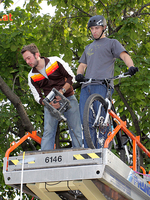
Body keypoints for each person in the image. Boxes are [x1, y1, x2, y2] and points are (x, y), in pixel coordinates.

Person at [75, 15, 138, 148]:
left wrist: (130, 67)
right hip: (87, 86)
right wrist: (79, 74)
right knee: (86, 121)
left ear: (104, 28)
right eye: (92, 29)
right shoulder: (88, 47)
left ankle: (104, 149)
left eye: (97, 28)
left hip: (102, 84)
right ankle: (89, 151)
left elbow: (124, 55)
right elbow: (82, 65)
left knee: (102, 119)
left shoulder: (111, 43)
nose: (94, 31)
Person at [21, 43, 83, 150]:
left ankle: (78, 155)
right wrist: (49, 104)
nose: (27, 62)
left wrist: (62, 92)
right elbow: (37, 97)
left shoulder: (55, 61)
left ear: (36, 55)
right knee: (48, 132)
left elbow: (71, 77)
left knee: (75, 129)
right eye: (25, 60)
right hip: (50, 105)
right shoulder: (31, 76)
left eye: (29, 58)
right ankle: (45, 160)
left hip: (68, 98)